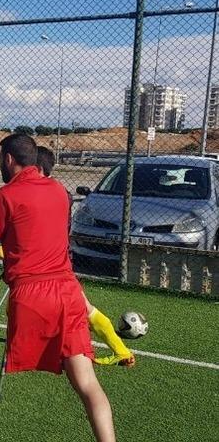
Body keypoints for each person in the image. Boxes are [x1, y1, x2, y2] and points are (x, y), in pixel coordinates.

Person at [0, 134, 115, 441]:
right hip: (69, 292)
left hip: (33, 296)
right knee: (87, 384)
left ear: (9, 159)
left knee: (79, 379)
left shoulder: (5, 195)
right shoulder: (59, 191)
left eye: (1, 158)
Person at [35, 146, 134, 367]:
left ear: (38, 168)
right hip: (56, 262)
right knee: (81, 307)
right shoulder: (58, 191)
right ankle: (120, 350)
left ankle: (120, 351)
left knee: (80, 308)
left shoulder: (51, 193)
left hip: (51, 265)